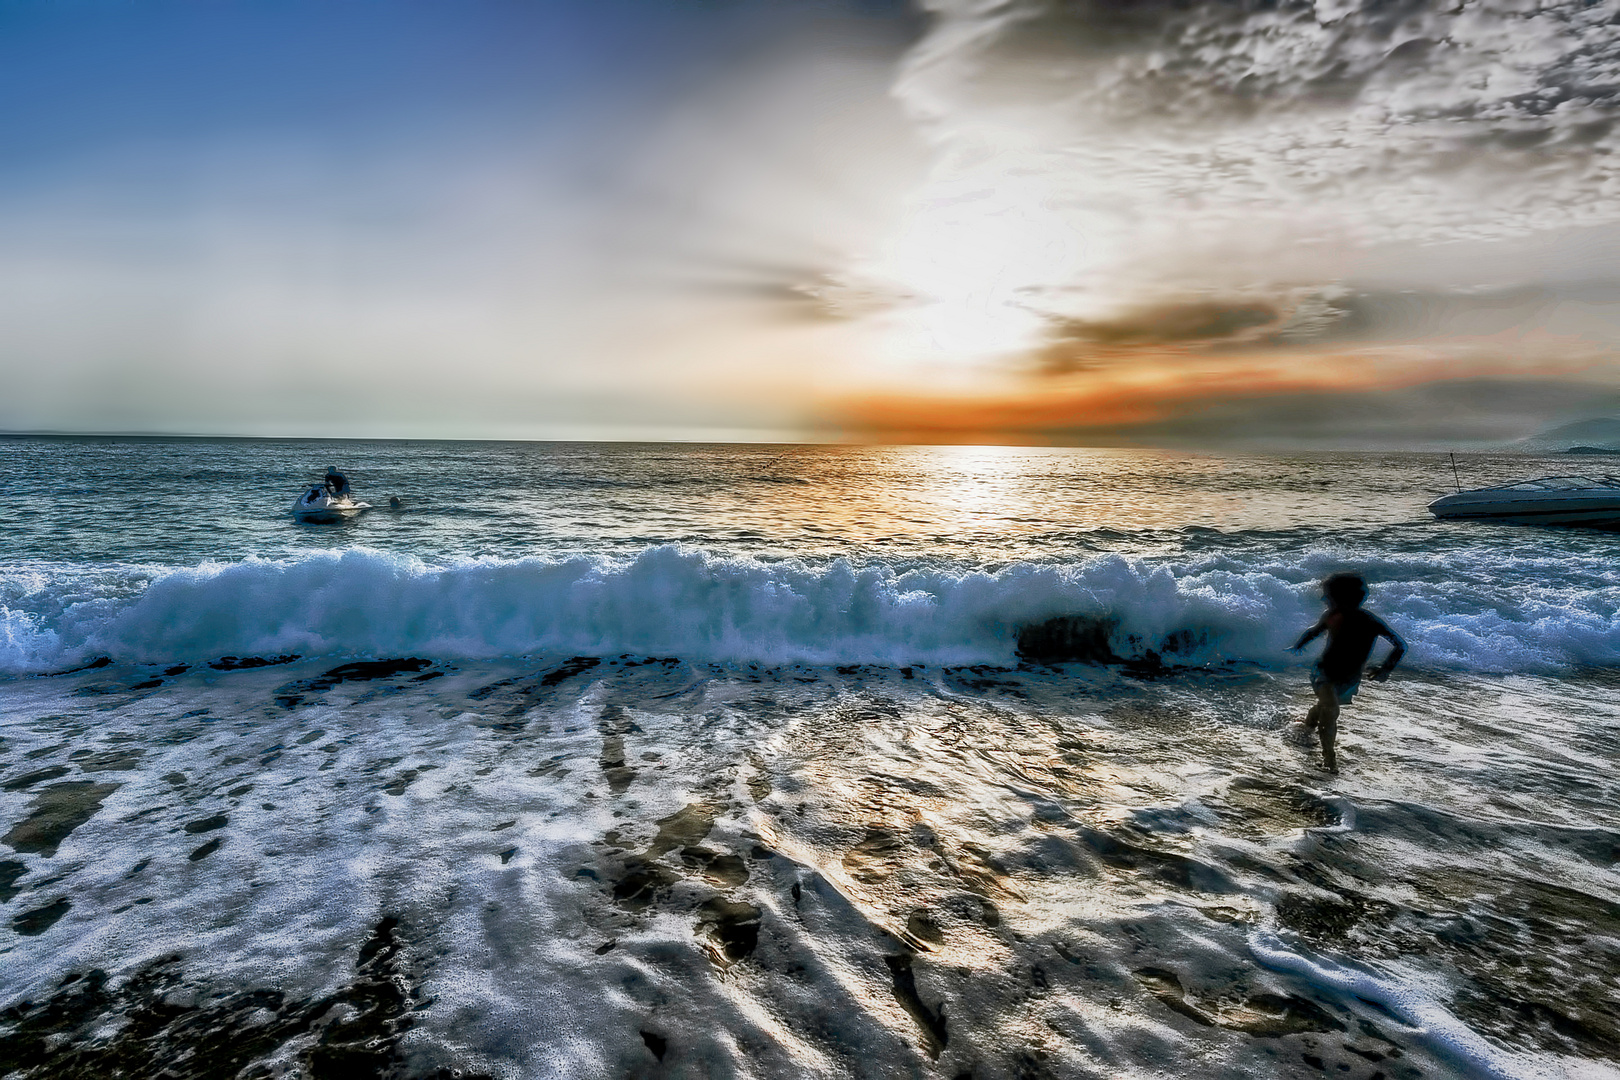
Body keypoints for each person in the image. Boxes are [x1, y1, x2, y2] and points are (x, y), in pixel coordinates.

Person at [1288, 573, 1405, 773]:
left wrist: (1385, 670)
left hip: (1348, 678)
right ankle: (1329, 762)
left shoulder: (1369, 621)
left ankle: (1306, 727)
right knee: (1331, 709)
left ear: (1349, 598)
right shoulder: (1332, 616)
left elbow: (1400, 645)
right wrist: (1297, 646)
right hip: (1323, 672)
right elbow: (1314, 631)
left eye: (1328, 596)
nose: (1324, 600)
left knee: (1325, 706)